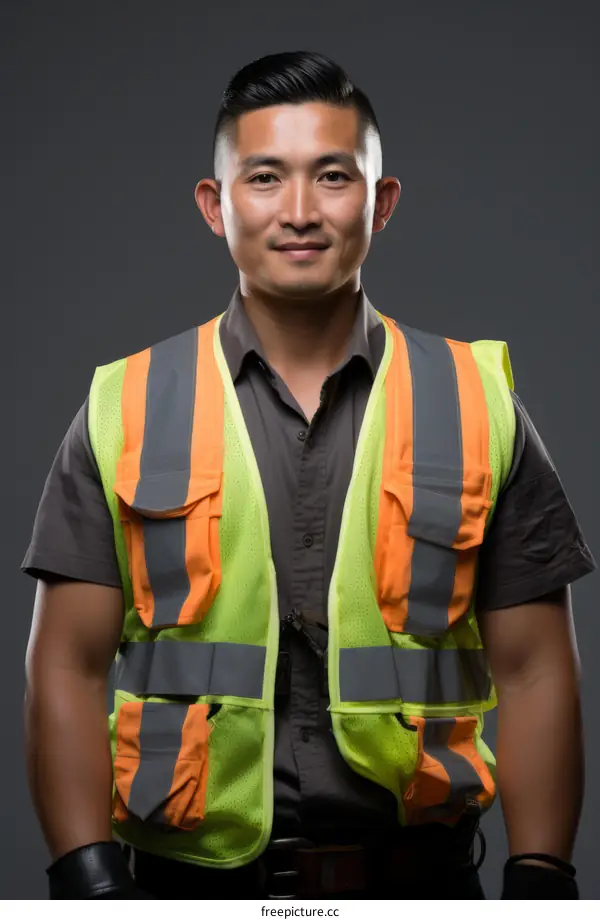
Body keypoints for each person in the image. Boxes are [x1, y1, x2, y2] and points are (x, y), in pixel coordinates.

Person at [22, 51, 595, 901]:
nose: (298, 211)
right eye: (264, 177)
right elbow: (64, 666)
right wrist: (86, 880)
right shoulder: (125, 404)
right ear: (215, 207)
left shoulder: (478, 403)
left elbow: (537, 670)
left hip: (422, 888)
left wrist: (541, 879)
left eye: (333, 175)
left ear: (381, 201)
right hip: (183, 893)